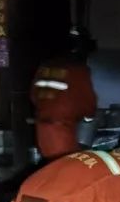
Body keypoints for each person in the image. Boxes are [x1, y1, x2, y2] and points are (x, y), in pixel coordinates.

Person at [30, 26, 98, 160]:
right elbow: (88, 103)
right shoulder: (78, 70)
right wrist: (89, 117)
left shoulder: (46, 67)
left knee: (50, 165)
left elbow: (34, 95)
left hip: (42, 130)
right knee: (65, 165)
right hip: (62, 132)